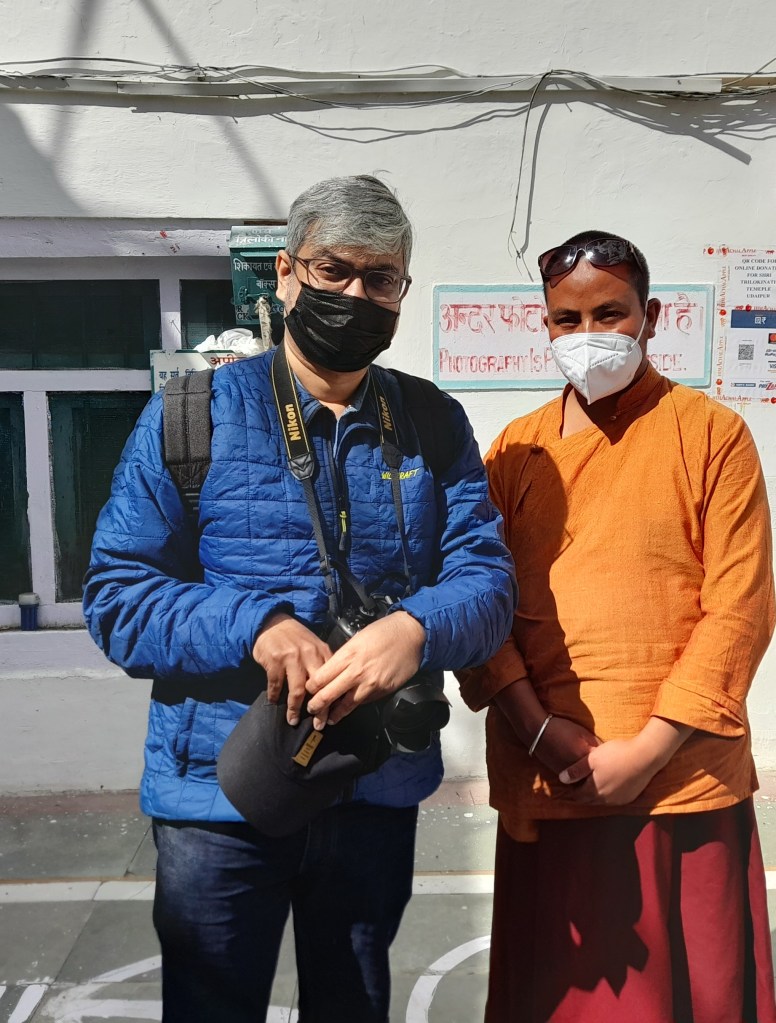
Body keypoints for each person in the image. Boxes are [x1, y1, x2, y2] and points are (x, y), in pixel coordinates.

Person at [83, 174, 516, 1023]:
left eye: (380, 278)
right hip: (220, 793)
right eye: (333, 269)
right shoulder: (193, 415)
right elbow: (118, 596)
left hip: (373, 784)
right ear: (285, 273)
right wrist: (254, 624)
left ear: (401, 291)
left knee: (353, 1004)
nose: (354, 295)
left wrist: (416, 627)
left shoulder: (431, 422)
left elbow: (489, 582)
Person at [458, 230, 776, 1023]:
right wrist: (537, 729)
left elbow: (740, 608)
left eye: (610, 313)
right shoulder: (516, 451)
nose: (588, 335)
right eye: (568, 319)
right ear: (546, 323)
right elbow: (477, 604)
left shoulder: (711, 435)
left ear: (651, 317)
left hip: (680, 780)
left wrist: (648, 750)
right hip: (552, 775)